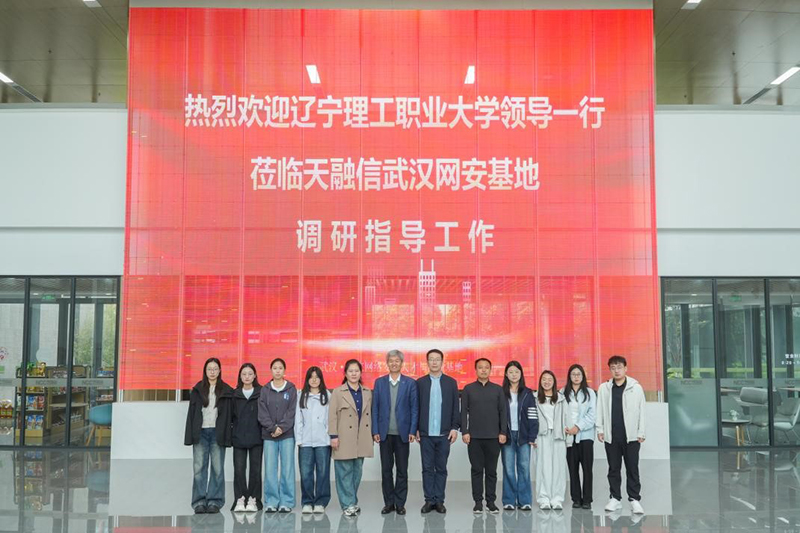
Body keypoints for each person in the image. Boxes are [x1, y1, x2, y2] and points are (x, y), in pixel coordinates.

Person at [596, 355, 646, 515]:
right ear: (609, 370)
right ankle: (615, 498)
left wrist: (641, 431)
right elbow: (600, 409)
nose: (616, 370)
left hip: (631, 436)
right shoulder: (604, 388)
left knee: (632, 468)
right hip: (612, 435)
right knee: (613, 468)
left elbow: (642, 410)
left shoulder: (636, 388)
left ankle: (634, 499)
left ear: (625, 368)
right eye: (613, 368)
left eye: (619, 367)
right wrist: (600, 429)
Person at [372, 349, 419, 515]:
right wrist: (375, 430)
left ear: (401, 363)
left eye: (397, 361)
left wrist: (412, 430)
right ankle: (388, 503)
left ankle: (400, 503)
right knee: (386, 471)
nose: (394, 363)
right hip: (384, 434)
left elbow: (414, 409)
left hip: (403, 434)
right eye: (391, 361)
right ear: (387, 363)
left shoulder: (410, 383)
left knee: (402, 470)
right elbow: (375, 408)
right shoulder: (379, 382)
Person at [184, 357, 233, 514]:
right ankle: (199, 501)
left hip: (217, 433)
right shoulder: (198, 389)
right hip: (201, 433)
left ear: (220, 371)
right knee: (199, 468)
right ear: (205, 371)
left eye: (215, 369)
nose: (212, 372)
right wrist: (189, 436)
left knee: (217, 469)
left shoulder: (226, 390)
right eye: (209, 369)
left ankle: (215, 501)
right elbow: (191, 414)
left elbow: (230, 416)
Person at [416, 348, 460, 514]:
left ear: (442, 362)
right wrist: (416, 428)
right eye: (431, 359)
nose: (434, 362)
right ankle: (429, 500)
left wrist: (455, 428)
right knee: (427, 468)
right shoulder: (420, 383)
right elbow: (416, 408)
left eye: (437, 359)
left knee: (441, 468)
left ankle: (439, 501)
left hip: (444, 434)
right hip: (425, 434)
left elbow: (456, 407)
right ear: (427, 362)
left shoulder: (451, 382)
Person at [461, 358, 507, 515]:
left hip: (494, 437)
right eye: (480, 367)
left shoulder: (498, 389)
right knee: (476, 470)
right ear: (476, 370)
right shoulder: (468, 389)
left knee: (492, 471)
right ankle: (478, 502)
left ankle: (491, 502)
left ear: (490, 370)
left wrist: (503, 432)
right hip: (474, 437)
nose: (483, 370)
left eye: (486, 367)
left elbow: (503, 412)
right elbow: (463, 412)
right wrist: (465, 431)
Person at [329, 359, 374, 517]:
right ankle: (347, 504)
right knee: (344, 472)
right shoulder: (338, 392)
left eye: (356, 371)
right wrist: (333, 436)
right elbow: (332, 416)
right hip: (343, 437)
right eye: (350, 371)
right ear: (345, 373)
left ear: (361, 373)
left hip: (361, 437)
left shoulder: (367, 392)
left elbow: (370, 415)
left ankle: (352, 502)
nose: (354, 374)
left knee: (357, 471)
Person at [258, 358, 298, 513]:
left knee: (287, 469)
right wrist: (272, 428)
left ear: (284, 370)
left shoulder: (291, 389)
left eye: (280, 368)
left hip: (287, 435)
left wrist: (281, 428)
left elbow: (292, 411)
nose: (277, 371)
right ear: (271, 370)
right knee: (270, 469)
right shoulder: (265, 389)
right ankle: (271, 501)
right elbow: (262, 413)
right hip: (269, 435)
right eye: (275, 368)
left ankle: (286, 501)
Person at [500, 361, 539, 511]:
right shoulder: (501, 392)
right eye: (511, 372)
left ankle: (525, 500)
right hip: (507, 435)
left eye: (516, 372)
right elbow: (498, 415)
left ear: (521, 374)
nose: (514, 375)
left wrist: (532, 436)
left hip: (524, 435)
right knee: (508, 468)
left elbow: (533, 416)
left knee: (524, 468)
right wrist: (500, 432)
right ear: (506, 374)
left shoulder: (528, 393)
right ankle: (509, 500)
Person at [295, 366, 332, 514]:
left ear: (321, 379)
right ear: (307, 379)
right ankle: (307, 502)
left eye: (317, 377)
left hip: (323, 441)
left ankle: (321, 502)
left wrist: (329, 437)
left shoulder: (327, 395)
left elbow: (330, 419)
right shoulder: (301, 396)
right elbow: (298, 419)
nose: (314, 380)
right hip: (305, 442)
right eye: (311, 377)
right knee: (306, 473)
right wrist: (299, 440)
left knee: (323, 472)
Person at [562, 364, 596, 510]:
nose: (576, 377)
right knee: (572, 468)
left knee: (587, 469)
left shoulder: (590, 393)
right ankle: (576, 498)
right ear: (569, 376)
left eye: (578, 374)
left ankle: (587, 499)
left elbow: (592, 415)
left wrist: (578, 427)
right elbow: (561, 413)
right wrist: (567, 428)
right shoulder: (563, 392)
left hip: (586, 436)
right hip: (569, 437)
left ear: (583, 376)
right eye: (573, 374)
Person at [231, 363, 263, 512]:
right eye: (244, 374)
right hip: (239, 437)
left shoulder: (261, 393)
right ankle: (240, 498)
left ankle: (253, 499)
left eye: (250, 374)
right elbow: (231, 417)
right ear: (240, 376)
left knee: (255, 470)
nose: (247, 377)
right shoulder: (235, 394)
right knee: (239, 470)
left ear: (255, 375)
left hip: (257, 437)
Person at [534, 370, 568, 510]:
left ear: (554, 382)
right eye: (544, 379)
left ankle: (557, 498)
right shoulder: (535, 398)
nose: (546, 382)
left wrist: (568, 438)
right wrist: (532, 437)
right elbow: (531, 418)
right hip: (541, 435)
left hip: (558, 435)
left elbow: (566, 417)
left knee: (558, 468)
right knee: (543, 467)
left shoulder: (561, 398)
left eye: (550, 379)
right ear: (540, 381)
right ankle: (544, 499)